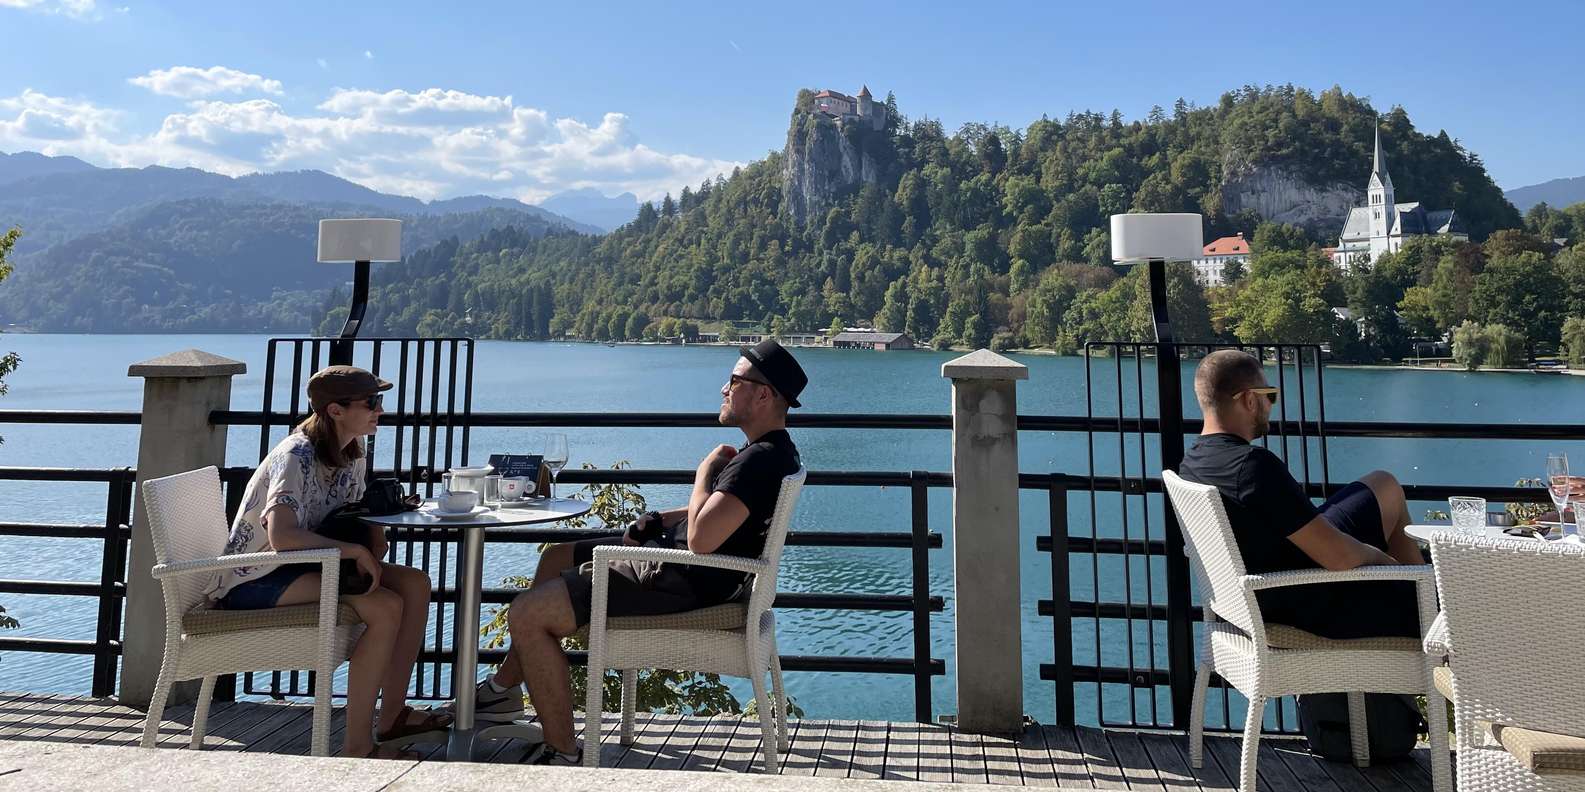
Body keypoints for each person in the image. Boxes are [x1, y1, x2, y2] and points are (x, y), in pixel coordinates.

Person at [461, 340, 807, 765]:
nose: (723, 388)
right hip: (683, 570)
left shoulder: (757, 463)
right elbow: (725, 515)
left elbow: (701, 540)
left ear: (763, 394)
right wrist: (661, 519)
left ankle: (563, 750)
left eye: (734, 381)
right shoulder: (774, 454)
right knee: (555, 558)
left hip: (679, 580)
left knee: (527, 614)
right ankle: (503, 690)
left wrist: (703, 473)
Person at [210, 365, 449, 759]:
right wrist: (354, 552)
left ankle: (393, 716)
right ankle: (358, 746)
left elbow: (347, 519)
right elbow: (282, 537)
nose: (380, 410)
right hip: (255, 576)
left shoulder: (352, 452)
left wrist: (373, 531)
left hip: (309, 565)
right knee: (384, 606)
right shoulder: (296, 455)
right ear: (336, 410)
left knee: (415, 584)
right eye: (371, 402)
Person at [1178, 349, 1424, 640]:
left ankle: (1422, 591)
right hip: (1309, 604)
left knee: (1384, 485)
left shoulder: (1191, 465)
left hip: (1262, 594)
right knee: (1423, 583)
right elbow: (1339, 558)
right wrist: (1381, 558)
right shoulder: (1252, 467)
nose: (1272, 404)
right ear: (1249, 400)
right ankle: (1424, 604)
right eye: (1270, 395)